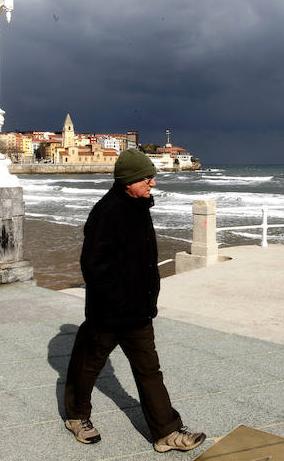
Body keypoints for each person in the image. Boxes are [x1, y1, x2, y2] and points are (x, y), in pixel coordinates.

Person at [63, 148, 206, 453]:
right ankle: (76, 416)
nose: (152, 184)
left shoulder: (138, 205)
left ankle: (167, 432)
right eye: (147, 178)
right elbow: (94, 266)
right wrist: (117, 301)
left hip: (139, 311)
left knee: (149, 370)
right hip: (110, 312)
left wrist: (147, 296)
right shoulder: (106, 213)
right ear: (128, 181)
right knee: (88, 364)